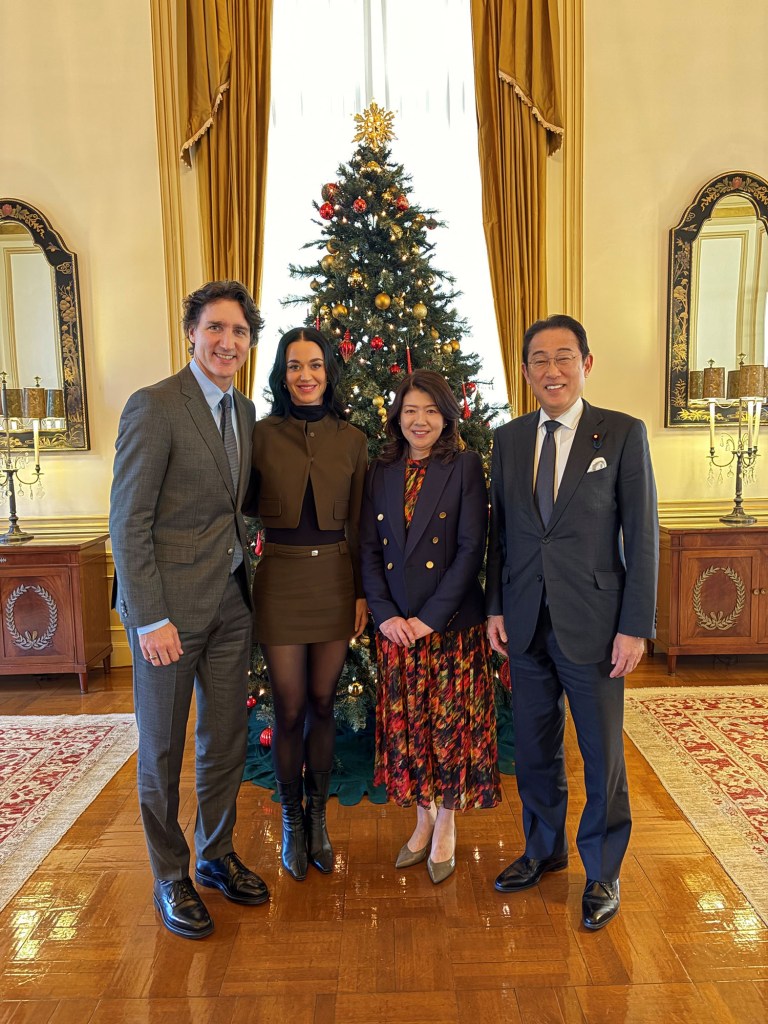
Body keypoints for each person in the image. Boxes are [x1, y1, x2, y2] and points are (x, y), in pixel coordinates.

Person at [486, 313, 658, 930]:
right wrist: (495, 607)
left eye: (564, 357)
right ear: (526, 370)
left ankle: (603, 870)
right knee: (534, 749)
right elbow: (500, 537)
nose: (551, 370)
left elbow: (641, 539)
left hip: (597, 624)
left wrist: (635, 626)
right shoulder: (507, 441)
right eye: (539, 359)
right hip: (526, 621)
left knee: (602, 752)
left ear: (586, 364)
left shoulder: (621, 434)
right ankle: (542, 849)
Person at [110, 280, 269, 940]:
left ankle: (215, 854)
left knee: (224, 739)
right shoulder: (155, 406)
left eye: (238, 332)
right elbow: (128, 520)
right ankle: (170, 874)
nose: (226, 341)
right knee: (163, 747)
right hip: (168, 613)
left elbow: (237, 506)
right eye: (215, 329)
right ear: (191, 334)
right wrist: (149, 617)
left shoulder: (246, 411)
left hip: (233, 603)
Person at [360, 370, 500, 885]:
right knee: (412, 732)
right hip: (397, 630)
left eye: (431, 412)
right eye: (411, 411)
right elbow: (369, 551)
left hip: (449, 628)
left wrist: (427, 619)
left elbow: (471, 551)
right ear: (398, 416)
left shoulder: (463, 466)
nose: (420, 421)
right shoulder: (381, 470)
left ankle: (445, 822)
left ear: (446, 417)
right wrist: (386, 615)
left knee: (447, 732)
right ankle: (420, 820)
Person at [246, 326, 368, 881]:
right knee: (290, 707)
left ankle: (319, 819)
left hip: (337, 581)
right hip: (281, 581)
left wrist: (364, 591)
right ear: (281, 373)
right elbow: (238, 503)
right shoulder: (259, 435)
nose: (305, 376)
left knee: (324, 702)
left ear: (328, 372)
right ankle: (292, 821)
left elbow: (365, 523)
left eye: (315, 365)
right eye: (294, 366)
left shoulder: (353, 439)